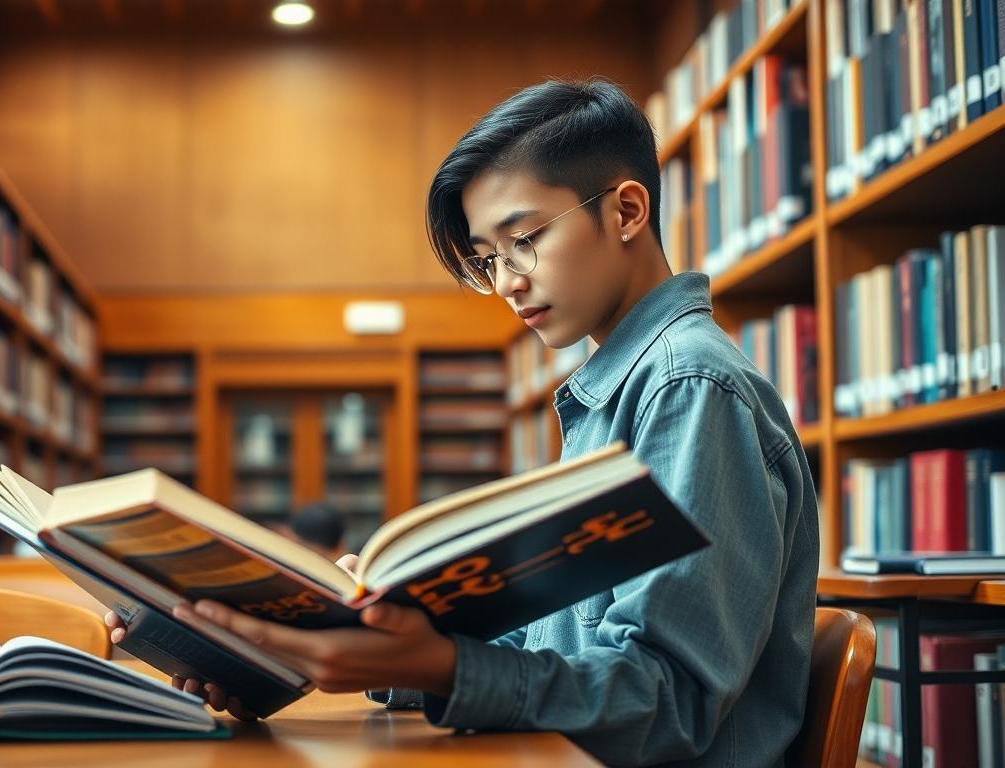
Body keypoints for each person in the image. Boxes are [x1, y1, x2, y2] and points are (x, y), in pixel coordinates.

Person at [107, 78, 819, 767]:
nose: (507, 281)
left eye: (524, 239)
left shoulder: (686, 386)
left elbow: (670, 705)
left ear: (627, 211)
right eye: (487, 260)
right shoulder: (616, 392)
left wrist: (447, 665)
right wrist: (347, 650)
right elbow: (570, 662)